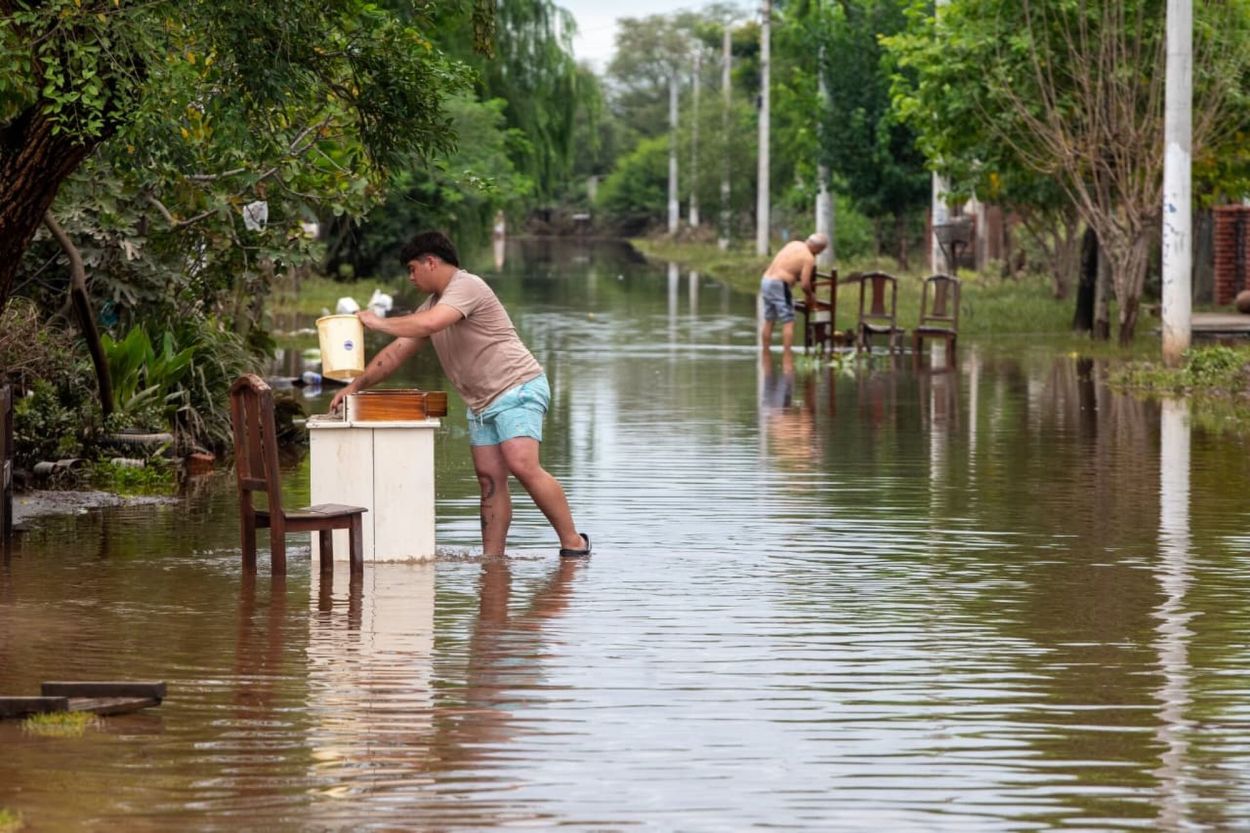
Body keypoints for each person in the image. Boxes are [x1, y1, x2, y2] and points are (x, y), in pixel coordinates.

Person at [329, 231, 590, 559]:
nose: (411, 277)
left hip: (517, 386)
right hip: (481, 403)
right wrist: (354, 386)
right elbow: (396, 353)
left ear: (431, 261)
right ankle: (493, 561)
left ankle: (574, 544)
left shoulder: (467, 286)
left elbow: (428, 324)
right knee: (489, 480)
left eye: (412, 269)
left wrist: (378, 323)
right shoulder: (430, 307)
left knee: (521, 463)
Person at [759, 232, 829, 369]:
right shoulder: (808, 258)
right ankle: (787, 357)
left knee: (769, 319)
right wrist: (811, 296)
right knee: (788, 321)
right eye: (820, 251)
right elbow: (805, 284)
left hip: (766, 281)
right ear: (817, 248)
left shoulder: (794, 244)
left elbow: (789, 267)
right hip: (779, 285)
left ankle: (765, 354)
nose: (819, 254)